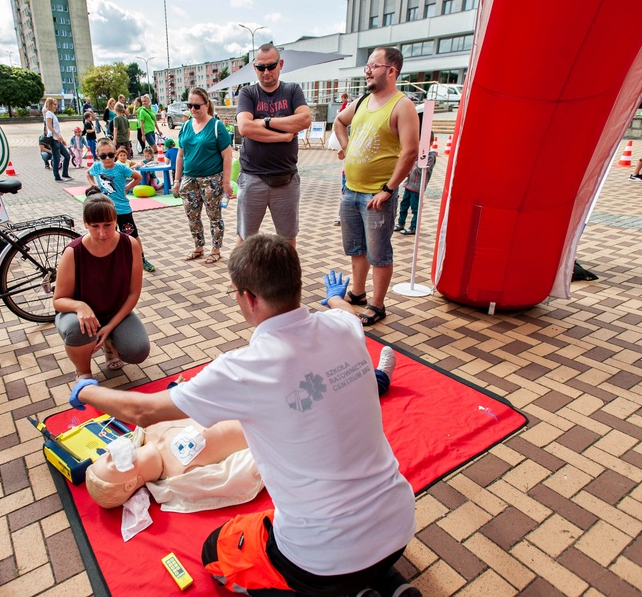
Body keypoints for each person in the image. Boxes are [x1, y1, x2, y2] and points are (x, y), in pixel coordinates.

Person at [70, 234, 414, 596]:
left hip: (319, 557)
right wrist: (333, 298)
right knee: (346, 551)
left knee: (215, 552)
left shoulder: (243, 369)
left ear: (249, 298)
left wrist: (84, 387)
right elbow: (349, 316)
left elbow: (142, 410)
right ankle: (385, 583)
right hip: (398, 522)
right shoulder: (343, 328)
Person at [332, 47, 419, 326]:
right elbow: (338, 122)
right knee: (356, 248)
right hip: (351, 189)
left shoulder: (402, 106)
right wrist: (346, 148)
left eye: (373, 65)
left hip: (376, 194)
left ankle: (377, 305)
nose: (367, 70)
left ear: (391, 71)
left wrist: (389, 189)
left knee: (379, 253)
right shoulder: (361, 102)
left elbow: (409, 152)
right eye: (367, 66)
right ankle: (358, 294)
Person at [53, 193, 150, 378]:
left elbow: (133, 293)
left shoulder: (130, 245)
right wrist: (80, 306)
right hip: (78, 316)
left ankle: (110, 344)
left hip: (115, 311)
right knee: (77, 329)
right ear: (85, 224)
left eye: (108, 225)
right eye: (94, 226)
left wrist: (110, 326)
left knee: (138, 350)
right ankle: (83, 371)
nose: (102, 233)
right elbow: (58, 300)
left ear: (116, 220)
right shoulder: (73, 252)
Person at [84, 415, 257, 510]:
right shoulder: (182, 474)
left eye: (105, 454)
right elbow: (243, 472)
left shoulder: (147, 427)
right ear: (129, 485)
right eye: (110, 462)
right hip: (263, 415)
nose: (111, 452)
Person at [235, 43, 312, 248]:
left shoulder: (292, 90)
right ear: (255, 68)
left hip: (286, 178)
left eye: (271, 66)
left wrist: (266, 121)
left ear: (281, 65)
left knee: (287, 239)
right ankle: (239, 282)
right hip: (253, 176)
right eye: (261, 67)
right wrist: (283, 136)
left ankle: (287, 281)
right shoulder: (248, 93)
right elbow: (245, 128)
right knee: (245, 240)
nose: (266, 72)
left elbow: (304, 120)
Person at [173, 87, 233, 265]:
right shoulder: (184, 126)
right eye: (189, 105)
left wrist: (226, 183)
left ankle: (216, 249)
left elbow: (227, 156)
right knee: (192, 215)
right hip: (189, 179)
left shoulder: (216, 126)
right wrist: (177, 180)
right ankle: (198, 246)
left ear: (206, 105)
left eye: (196, 106)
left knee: (214, 215)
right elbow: (180, 155)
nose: (193, 109)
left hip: (211, 180)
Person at [86, 138, 156, 273]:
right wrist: (93, 184)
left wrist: (127, 188)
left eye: (111, 155)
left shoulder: (121, 168)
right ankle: (112, 261)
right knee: (108, 236)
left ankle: (141, 259)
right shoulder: (96, 166)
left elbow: (138, 177)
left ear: (115, 153)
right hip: (106, 210)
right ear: (98, 155)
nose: (107, 158)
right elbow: (88, 173)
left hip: (122, 209)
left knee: (132, 236)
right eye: (103, 155)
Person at [395, 123, 437, 236]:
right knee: (404, 205)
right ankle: (400, 223)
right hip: (409, 185)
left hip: (417, 187)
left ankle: (413, 226)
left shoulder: (431, 156)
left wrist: (418, 160)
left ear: (431, 144)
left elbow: (424, 170)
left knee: (415, 208)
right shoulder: (416, 153)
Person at [44, 97, 72, 182]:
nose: (55, 106)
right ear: (50, 105)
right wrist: (56, 135)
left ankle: (65, 173)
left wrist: (61, 138)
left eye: (56, 104)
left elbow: (56, 128)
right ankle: (57, 177)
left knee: (67, 155)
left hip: (57, 139)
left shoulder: (52, 114)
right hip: (53, 139)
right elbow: (49, 126)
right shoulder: (48, 113)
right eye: (54, 104)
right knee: (56, 158)